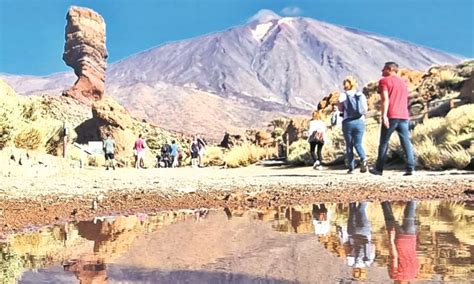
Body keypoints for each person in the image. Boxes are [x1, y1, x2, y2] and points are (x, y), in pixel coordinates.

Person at [370, 62, 415, 176]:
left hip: (391, 115)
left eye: (384, 69)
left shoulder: (384, 81)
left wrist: (384, 115)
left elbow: (385, 99)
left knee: (384, 142)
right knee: (406, 142)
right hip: (404, 115)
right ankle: (411, 167)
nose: (382, 71)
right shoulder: (403, 83)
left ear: (390, 69)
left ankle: (378, 169)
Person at [381, 201, 419, 281]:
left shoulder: (414, 275)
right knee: (389, 218)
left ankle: (413, 197)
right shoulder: (395, 276)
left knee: (410, 216)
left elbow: (415, 258)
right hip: (398, 241)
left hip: (410, 239)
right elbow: (394, 257)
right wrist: (391, 240)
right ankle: (383, 199)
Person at [338, 76, 369, 174]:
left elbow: (340, 109)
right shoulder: (360, 95)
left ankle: (351, 168)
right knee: (358, 143)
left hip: (348, 122)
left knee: (349, 145)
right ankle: (363, 158)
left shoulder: (343, 96)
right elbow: (365, 109)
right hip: (360, 121)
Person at [346, 202, 375, 270]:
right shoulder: (350, 261)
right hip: (352, 233)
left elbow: (372, 246)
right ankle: (351, 194)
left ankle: (364, 194)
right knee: (352, 208)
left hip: (365, 233)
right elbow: (346, 246)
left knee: (361, 209)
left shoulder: (369, 260)